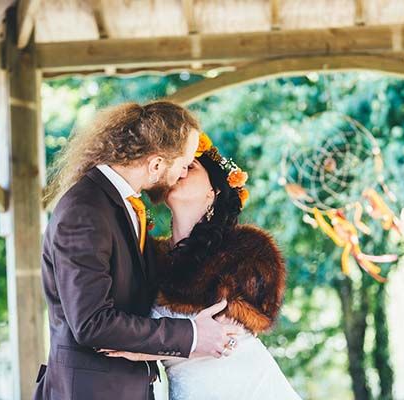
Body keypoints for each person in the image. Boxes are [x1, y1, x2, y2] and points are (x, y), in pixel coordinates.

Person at [33, 102, 244, 400]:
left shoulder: (123, 206)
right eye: (184, 164)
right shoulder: (86, 210)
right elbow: (92, 323)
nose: (183, 172)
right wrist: (192, 335)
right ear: (156, 164)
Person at [100, 133, 302, 399]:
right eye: (177, 166)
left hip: (250, 387)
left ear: (213, 191)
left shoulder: (246, 251)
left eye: (191, 166)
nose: (180, 171)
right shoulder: (148, 257)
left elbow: (224, 337)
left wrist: (138, 351)